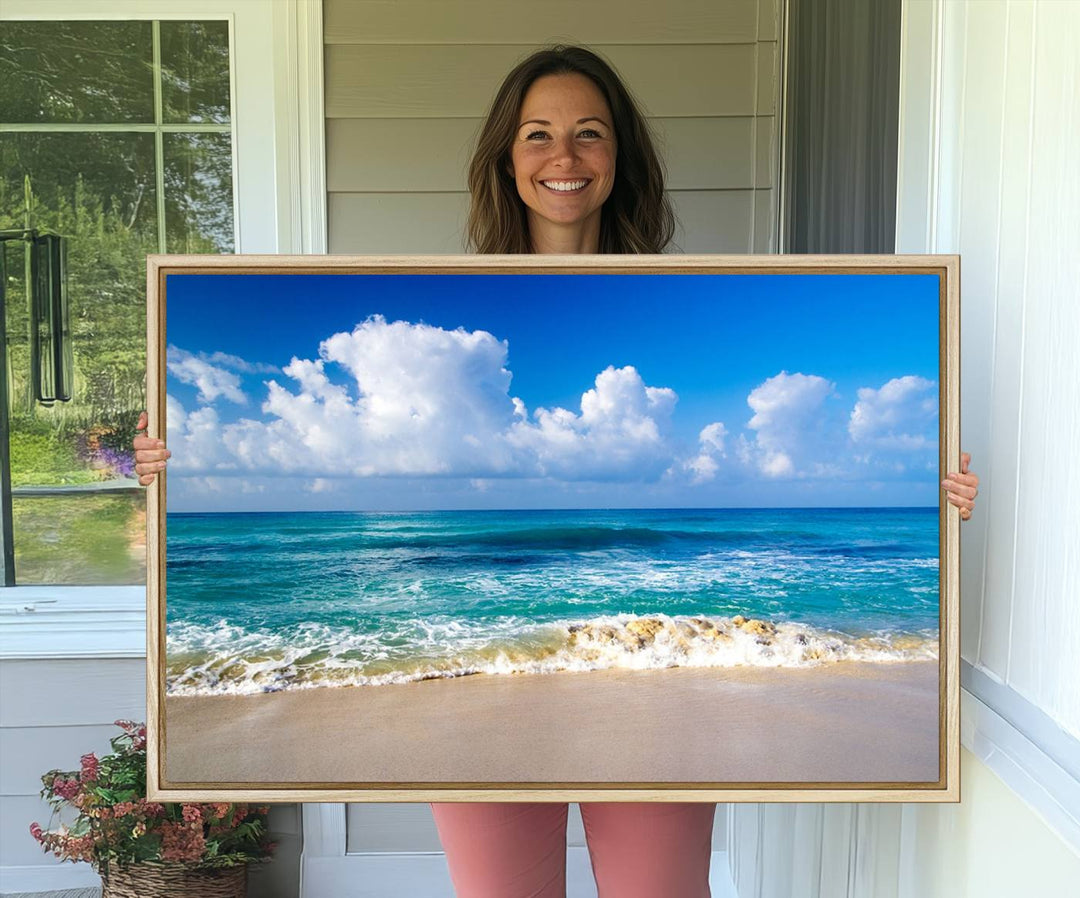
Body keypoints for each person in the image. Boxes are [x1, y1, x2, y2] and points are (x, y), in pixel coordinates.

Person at [134, 45, 980, 898]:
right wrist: (171, 464)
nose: (564, 157)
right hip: (469, 658)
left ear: (620, 158)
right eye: (538, 135)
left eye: (589, 134)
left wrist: (931, 490)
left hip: (657, 677)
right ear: (507, 158)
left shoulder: (689, 298)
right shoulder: (440, 303)